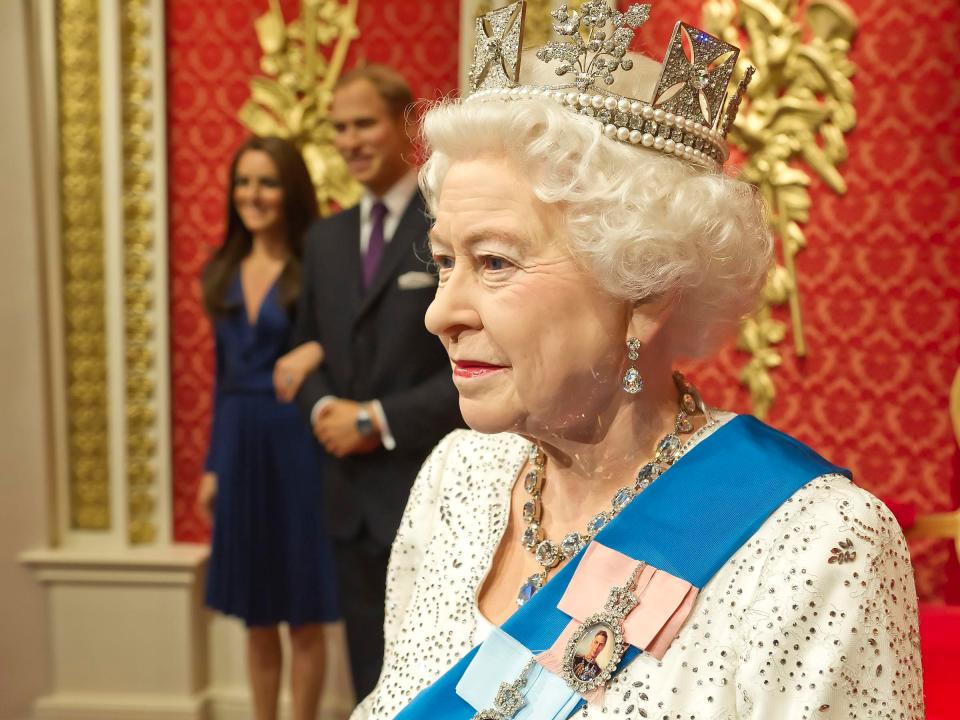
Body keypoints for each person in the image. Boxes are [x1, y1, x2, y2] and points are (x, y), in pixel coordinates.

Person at [352, 4, 924, 719]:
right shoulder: (457, 480)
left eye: (495, 262)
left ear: (646, 292)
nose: (442, 313)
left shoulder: (816, 547)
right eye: (444, 261)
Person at [280, 64, 463, 701]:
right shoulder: (324, 240)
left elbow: (471, 367)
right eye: (339, 128)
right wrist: (326, 404)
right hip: (346, 500)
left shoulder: (446, 225)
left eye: (364, 124)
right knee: (366, 674)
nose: (350, 140)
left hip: (430, 486)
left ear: (404, 126)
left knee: (434, 671)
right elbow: (305, 352)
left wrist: (375, 420)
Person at [197, 136, 340, 720]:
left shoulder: (317, 264)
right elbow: (220, 377)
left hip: (298, 445)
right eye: (244, 182)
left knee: (303, 609)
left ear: (291, 191)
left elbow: (350, 347)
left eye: (268, 182)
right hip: (239, 442)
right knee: (258, 613)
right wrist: (212, 465)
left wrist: (317, 351)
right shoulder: (222, 268)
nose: (253, 195)